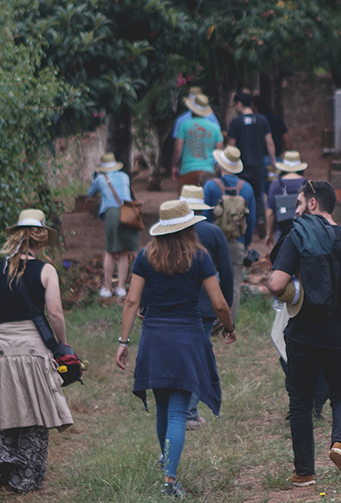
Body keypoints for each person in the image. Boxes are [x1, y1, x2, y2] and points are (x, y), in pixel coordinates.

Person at [115, 200, 237, 498]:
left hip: (154, 338)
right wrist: (230, 327)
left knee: (162, 407)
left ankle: (166, 463)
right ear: (189, 226)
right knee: (178, 411)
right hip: (187, 338)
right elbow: (219, 302)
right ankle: (170, 480)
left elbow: (132, 301)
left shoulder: (145, 256)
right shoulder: (200, 257)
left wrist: (123, 342)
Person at [265, 181, 341, 489]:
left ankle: (305, 473)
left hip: (303, 336)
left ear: (313, 204)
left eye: (298, 203)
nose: (295, 210)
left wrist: (291, 287)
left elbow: (275, 284)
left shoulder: (297, 237)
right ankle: (340, 444)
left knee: (299, 401)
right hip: (339, 335)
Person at [0, 209, 74, 493]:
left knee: (8, 407)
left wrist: (1, 329)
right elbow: (54, 312)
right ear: (41, 239)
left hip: (1, 349)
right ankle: (26, 478)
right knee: (36, 412)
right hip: (33, 349)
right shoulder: (46, 271)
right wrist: (62, 343)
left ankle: (2, 463)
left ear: (17, 236)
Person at [177, 184, 234, 430]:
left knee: (180, 355)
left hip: (175, 305)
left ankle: (180, 409)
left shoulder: (172, 232)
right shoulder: (213, 233)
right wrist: (227, 308)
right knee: (198, 356)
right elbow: (227, 272)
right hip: (204, 305)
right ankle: (189, 412)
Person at [202, 146, 256, 327]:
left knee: (209, 280)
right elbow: (252, 219)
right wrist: (245, 244)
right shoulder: (247, 188)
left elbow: (205, 215)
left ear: (220, 165)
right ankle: (229, 323)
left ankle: (210, 318)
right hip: (236, 242)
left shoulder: (211, 186)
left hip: (211, 243)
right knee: (234, 284)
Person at [86, 152, 140, 298]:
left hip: (113, 213)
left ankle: (108, 288)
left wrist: (93, 180)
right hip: (129, 212)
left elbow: (90, 193)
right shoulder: (124, 176)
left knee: (110, 252)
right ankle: (121, 287)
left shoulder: (101, 179)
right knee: (124, 252)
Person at [226, 91, 274, 239]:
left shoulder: (236, 122)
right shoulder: (262, 120)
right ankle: (260, 219)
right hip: (258, 165)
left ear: (239, 104)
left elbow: (231, 146)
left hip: (241, 166)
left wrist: (227, 164)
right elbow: (269, 141)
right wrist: (273, 162)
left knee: (241, 195)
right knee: (258, 195)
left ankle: (243, 224)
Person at [173, 94, 224, 188]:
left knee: (185, 201)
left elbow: (178, 150)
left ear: (192, 109)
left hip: (187, 170)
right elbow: (219, 152)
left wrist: (175, 166)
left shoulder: (184, 125)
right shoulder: (215, 128)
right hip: (208, 172)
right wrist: (216, 170)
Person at [265, 150, 308, 258]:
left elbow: (270, 213)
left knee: (283, 262)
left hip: (282, 231)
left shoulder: (276, 184)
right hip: (304, 231)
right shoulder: (307, 184)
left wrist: (269, 233)